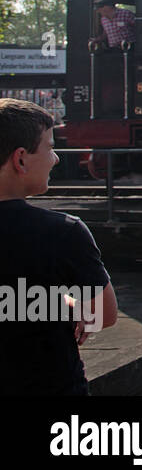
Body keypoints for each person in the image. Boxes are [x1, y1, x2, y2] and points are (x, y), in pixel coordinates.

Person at [1, 99, 118, 396]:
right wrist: (65, 304)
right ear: (21, 159)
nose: (55, 159)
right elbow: (102, 313)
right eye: (50, 148)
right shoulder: (63, 232)